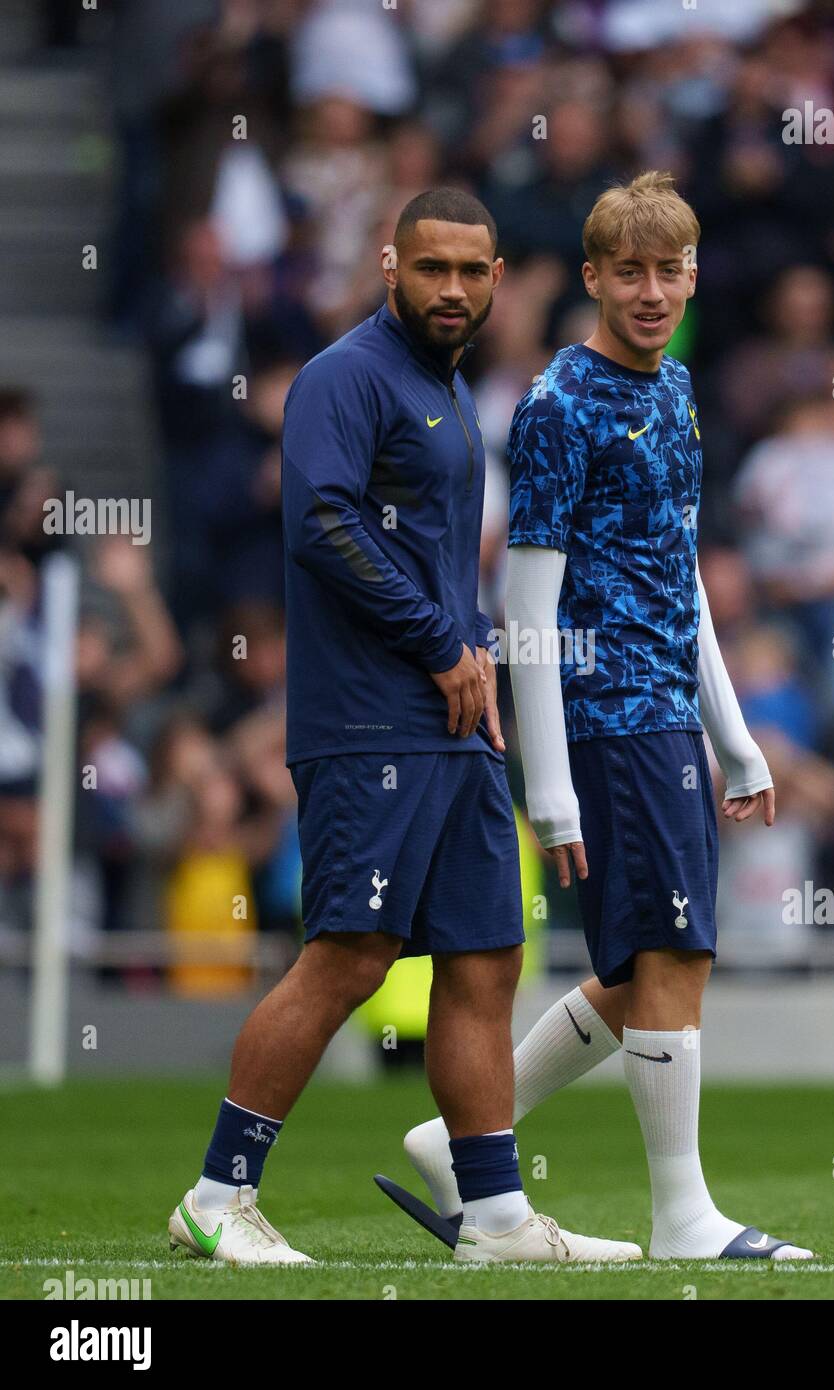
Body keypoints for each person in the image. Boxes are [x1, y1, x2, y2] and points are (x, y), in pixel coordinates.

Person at [168, 188, 640, 1266]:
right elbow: (320, 521)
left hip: (452, 722)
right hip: (366, 718)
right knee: (349, 955)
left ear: (497, 281)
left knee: (484, 957)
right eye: (434, 269)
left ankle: (494, 1216)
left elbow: (429, 554)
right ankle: (216, 1193)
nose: (455, 289)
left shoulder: (444, 387)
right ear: (390, 266)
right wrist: (440, 641)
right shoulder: (345, 377)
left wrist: (469, 660)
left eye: (475, 272)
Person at [404, 172, 814, 1260]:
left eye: (668, 270)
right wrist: (550, 787)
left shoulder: (674, 391)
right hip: (607, 719)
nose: (649, 291)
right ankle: (683, 1218)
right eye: (626, 271)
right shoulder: (555, 406)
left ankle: (456, 1148)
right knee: (672, 956)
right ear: (590, 277)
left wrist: (732, 738)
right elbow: (523, 609)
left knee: (642, 969)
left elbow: (680, 579)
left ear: (691, 276)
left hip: (667, 714)